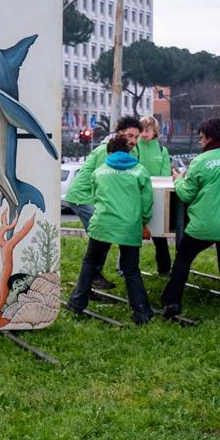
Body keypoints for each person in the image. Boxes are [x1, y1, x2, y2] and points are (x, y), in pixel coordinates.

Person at [161, 118, 220, 321]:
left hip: (202, 226)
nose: (200, 142)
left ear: (210, 137)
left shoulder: (201, 161)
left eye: (201, 138)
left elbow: (186, 195)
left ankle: (172, 302)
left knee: (183, 259)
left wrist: (178, 180)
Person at [67, 135, 154, 325]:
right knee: (131, 269)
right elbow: (147, 203)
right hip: (129, 226)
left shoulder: (99, 171)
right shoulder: (140, 171)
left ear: (109, 152)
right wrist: (143, 222)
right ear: (129, 151)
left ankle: (76, 303)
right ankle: (142, 313)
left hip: (102, 224)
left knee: (90, 263)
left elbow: (94, 197)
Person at [64, 115, 142, 289]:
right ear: (119, 133)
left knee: (102, 237)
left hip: (91, 196)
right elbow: (102, 181)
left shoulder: (131, 150)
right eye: (130, 136)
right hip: (83, 197)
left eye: (136, 137)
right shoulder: (106, 150)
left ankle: (90, 280)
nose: (133, 140)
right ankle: (93, 277)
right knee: (101, 236)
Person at [133, 115, 172, 275]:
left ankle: (164, 269)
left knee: (160, 238)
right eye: (141, 130)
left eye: (147, 131)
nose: (144, 134)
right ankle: (126, 268)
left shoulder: (162, 150)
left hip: (156, 198)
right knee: (131, 237)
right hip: (137, 196)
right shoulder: (135, 148)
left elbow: (166, 176)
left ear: (155, 131)